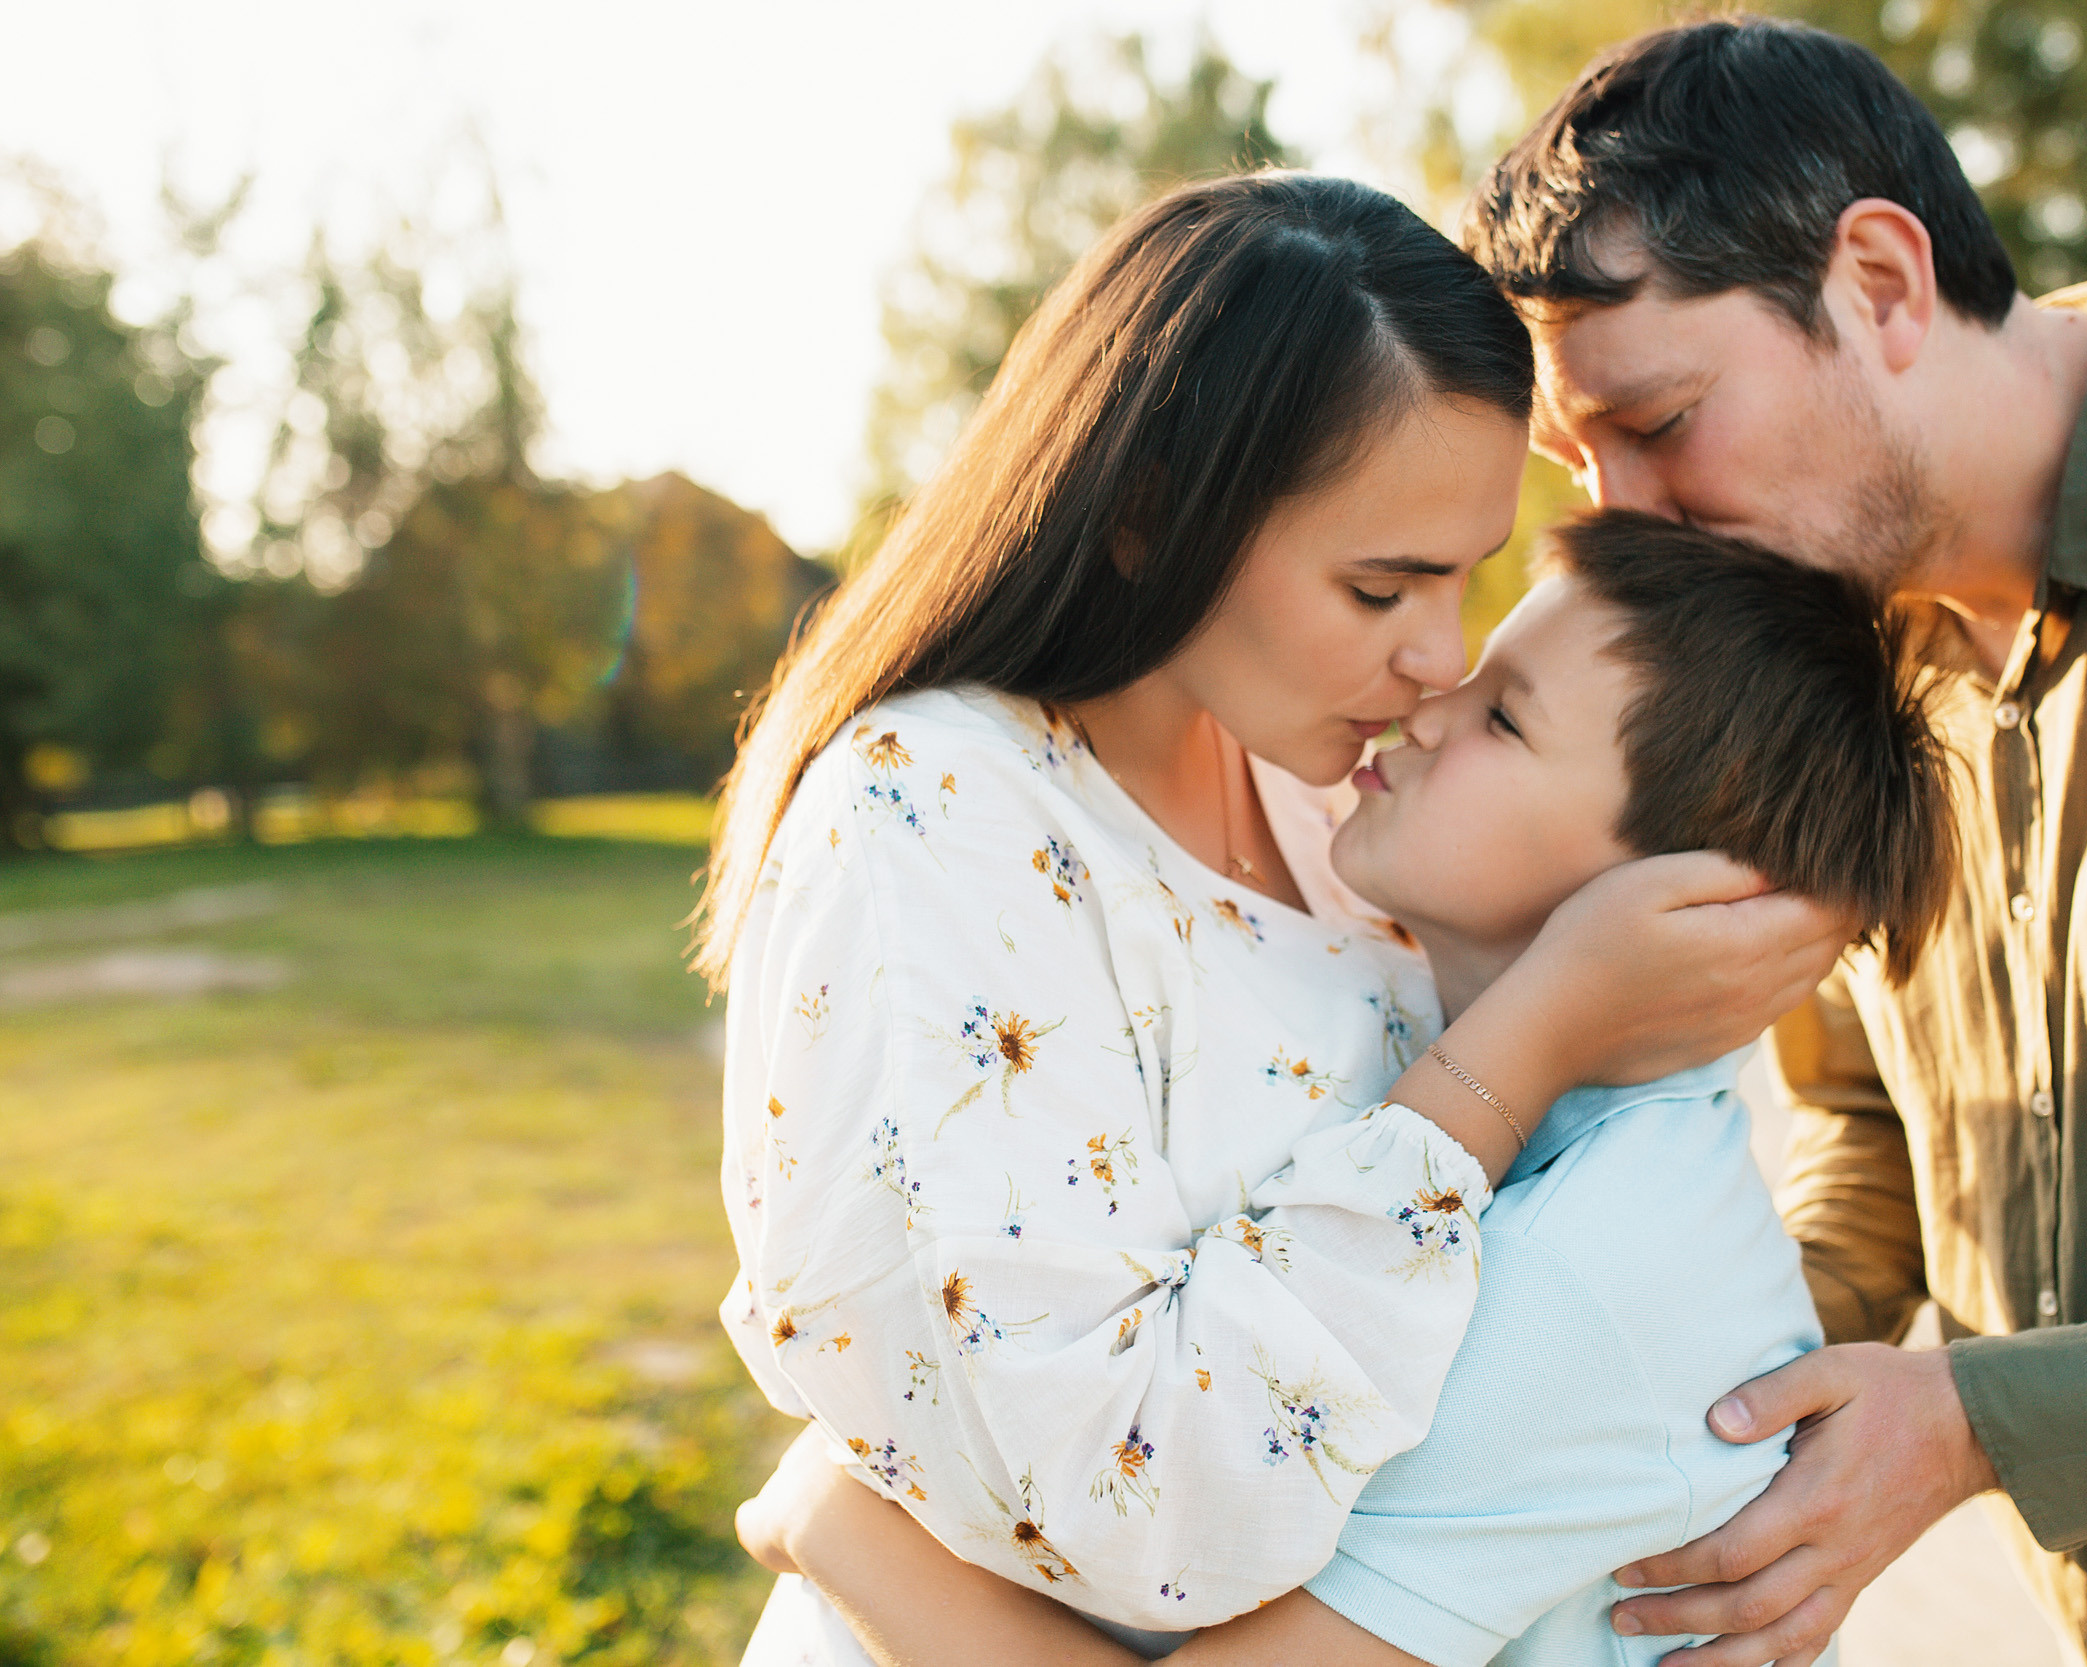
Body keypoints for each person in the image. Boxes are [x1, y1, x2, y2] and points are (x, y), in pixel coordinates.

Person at [1456, 16, 2087, 1666]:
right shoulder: (1837, 647)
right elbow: (1869, 1136)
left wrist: (1979, 1419)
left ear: (1878, 282)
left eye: (1653, 422)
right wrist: (1666, 1394)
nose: (1617, 524)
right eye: (1574, 461)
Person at [694, 172, 1848, 1663]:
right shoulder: (935, 816)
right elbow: (1138, 1510)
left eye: (1464, 579)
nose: (1440, 656)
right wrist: (1531, 1033)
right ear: (1151, 519)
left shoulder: (1331, 788)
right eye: (1381, 587)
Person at [738, 508, 1960, 1666]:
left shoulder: (1595, 1275)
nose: (1427, 709)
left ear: (1697, 892)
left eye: (1506, 721)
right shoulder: (1545, 1130)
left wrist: (828, 1519)